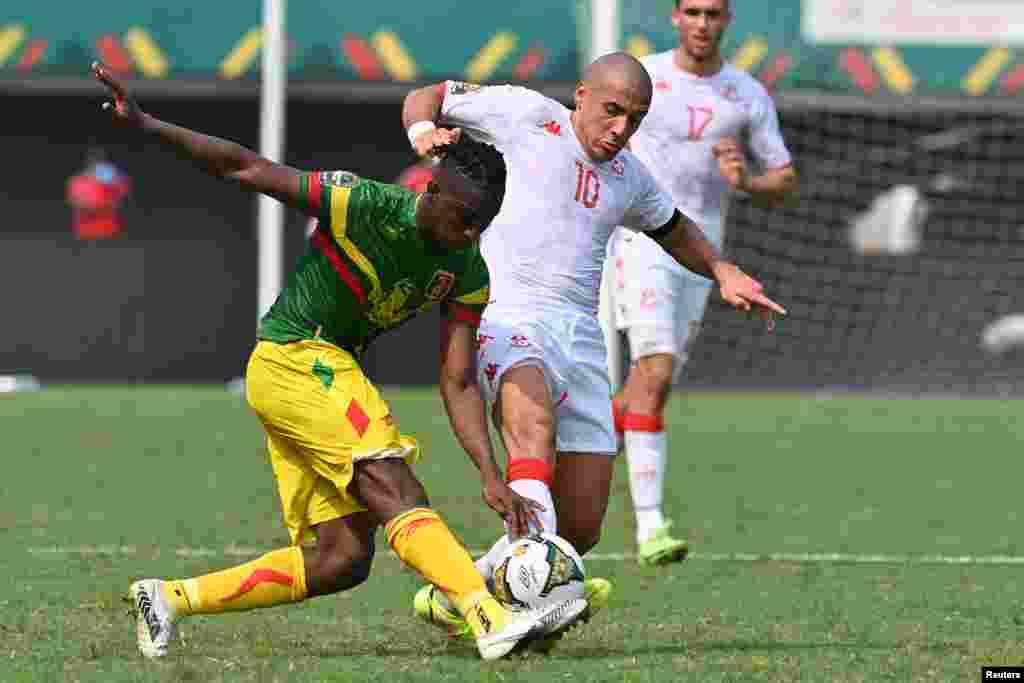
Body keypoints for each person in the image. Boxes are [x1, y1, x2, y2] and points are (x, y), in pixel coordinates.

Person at [90, 61, 587, 662]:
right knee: (392, 480)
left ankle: (168, 598)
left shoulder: (468, 269)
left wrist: (488, 470)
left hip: (316, 374)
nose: (466, 233)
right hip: (296, 354)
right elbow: (242, 165)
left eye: (480, 225)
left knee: (342, 559)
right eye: (460, 217)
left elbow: (456, 379)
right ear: (430, 191)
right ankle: (487, 613)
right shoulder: (362, 204)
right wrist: (146, 124)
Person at [402, 52, 785, 637]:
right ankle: (511, 618)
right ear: (581, 94)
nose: (620, 130)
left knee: (579, 530)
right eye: (612, 112)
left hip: (581, 340)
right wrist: (425, 132)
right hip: (508, 317)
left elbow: (673, 226)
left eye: (633, 119)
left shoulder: (629, 174)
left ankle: (462, 592)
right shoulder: (525, 115)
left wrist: (724, 270)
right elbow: (426, 94)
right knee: (533, 434)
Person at [606, 0, 800, 566]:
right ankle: (651, 529)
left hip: (702, 252)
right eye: (692, 11)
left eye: (713, 13)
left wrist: (749, 182)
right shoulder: (647, 77)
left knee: (648, 388)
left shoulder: (746, 94)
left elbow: (786, 180)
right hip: (642, 241)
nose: (702, 22)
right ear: (675, 17)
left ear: (727, 20)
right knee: (656, 371)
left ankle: (563, 451)